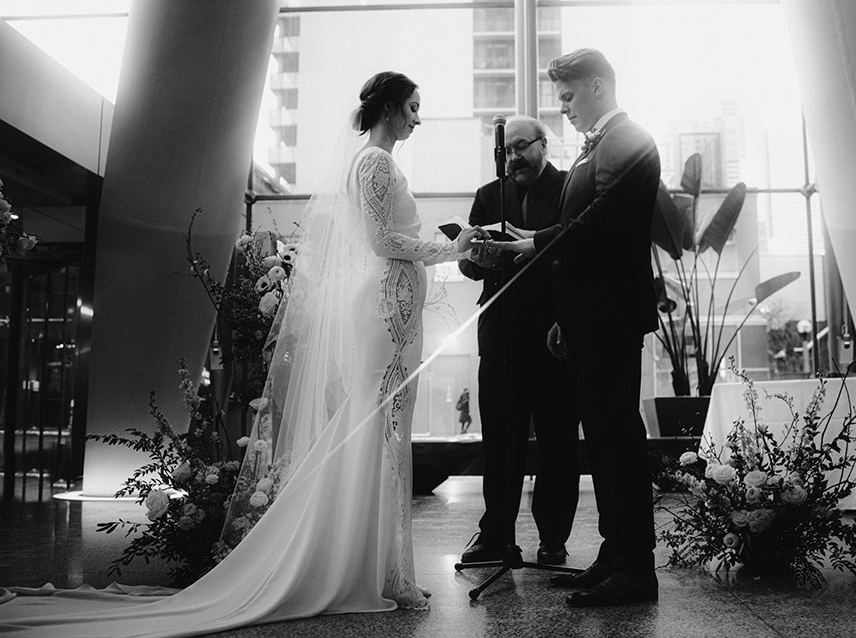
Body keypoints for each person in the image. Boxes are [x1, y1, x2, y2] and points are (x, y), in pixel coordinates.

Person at [0, 71, 483, 635]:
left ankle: (378, 566)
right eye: (414, 107)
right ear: (391, 107)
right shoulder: (374, 162)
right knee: (378, 428)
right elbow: (381, 242)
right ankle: (380, 570)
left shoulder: (373, 162)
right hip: (385, 306)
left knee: (382, 431)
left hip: (392, 306)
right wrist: (450, 247)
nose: (418, 119)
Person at [492, 49, 659, 607]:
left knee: (618, 441)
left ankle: (636, 569)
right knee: (606, 442)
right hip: (589, 316)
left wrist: (531, 242)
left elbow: (597, 226)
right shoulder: (601, 145)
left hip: (611, 316)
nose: (562, 108)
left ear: (597, 86)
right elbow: (585, 237)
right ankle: (615, 554)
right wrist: (565, 314)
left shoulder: (628, 140)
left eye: (567, 96)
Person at [458, 115, 580, 567]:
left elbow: (574, 251)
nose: (513, 159)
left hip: (553, 334)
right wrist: (479, 257)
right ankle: (496, 536)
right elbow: (469, 267)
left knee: (557, 440)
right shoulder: (489, 195)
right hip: (501, 333)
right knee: (500, 440)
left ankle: (553, 538)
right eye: (506, 152)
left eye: (521, 148)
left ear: (543, 145)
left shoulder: (569, 187)